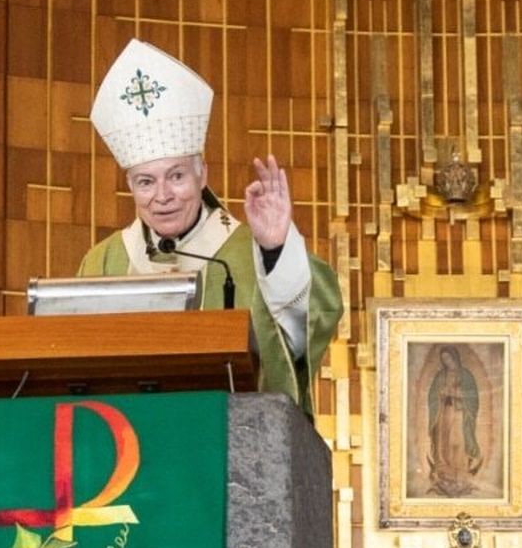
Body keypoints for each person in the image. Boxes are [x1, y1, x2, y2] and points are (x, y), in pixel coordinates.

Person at [80, 39, 342, 414]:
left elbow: (314, 322)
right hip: (122, 452)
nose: (163, 195)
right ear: (130, 188)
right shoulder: (102, 262)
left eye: (176, 176)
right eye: (146, 182)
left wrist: (276, 250)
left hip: (229, 450)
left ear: (203, 175)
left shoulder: (249, 251)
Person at [428, 346, 481, 495]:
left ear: (455, 357)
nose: (446, 362)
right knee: (443, 441)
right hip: (444, 412)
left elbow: (473, 396)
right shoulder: (440, 376)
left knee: (457, 440)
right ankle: (445, 472)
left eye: (448, 358)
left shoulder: (466, 375)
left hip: (459, 413)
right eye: (444, 359)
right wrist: (440, 394)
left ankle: (460, 472)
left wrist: (457, 393)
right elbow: (432, 395)